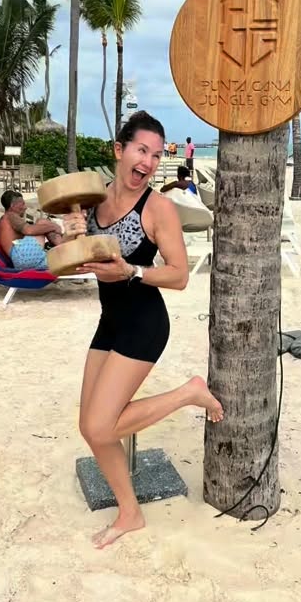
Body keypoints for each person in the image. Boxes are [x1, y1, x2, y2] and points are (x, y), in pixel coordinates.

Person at [70, 110, 224, 550]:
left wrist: (131, 270)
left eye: (157, 155)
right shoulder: (93, 200)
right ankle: (130, 512)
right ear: (119, 151)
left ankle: (189, 392)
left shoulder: (158, 208)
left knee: (102, 427)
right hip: (109, 320)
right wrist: (70, 237)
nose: (150, 162)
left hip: (144, 322)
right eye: (142, 150)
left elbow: (178, 276)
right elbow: (79, 259)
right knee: (91, 426)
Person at [0, 190, 63, 270]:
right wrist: (54, 227)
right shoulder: (10, 215)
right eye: (22, 204)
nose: (25, 207)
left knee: (42, 226)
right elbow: (29, 231)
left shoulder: (5, 220)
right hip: (22, 255)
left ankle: (63, 250)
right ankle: (65, 249)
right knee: (41, 222)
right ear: (12, 206)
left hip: (23, 261)